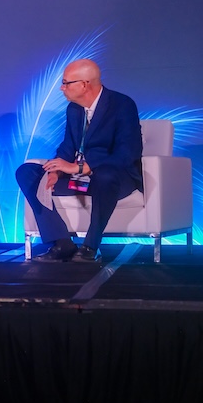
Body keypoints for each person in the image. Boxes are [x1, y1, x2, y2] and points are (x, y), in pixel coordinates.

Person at [15, 58, 142, 263]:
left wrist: (80, 167)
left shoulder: (122, 105)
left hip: (115, 179)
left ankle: (90, 246)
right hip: (82, 181)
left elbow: (126, 154)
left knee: (105, 175)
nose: (61, 88)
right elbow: (68, 146)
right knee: (26, 172)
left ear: (84, 84)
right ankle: (61, 243)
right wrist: (56, 170)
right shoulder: (74, 109)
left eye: (66, 83)